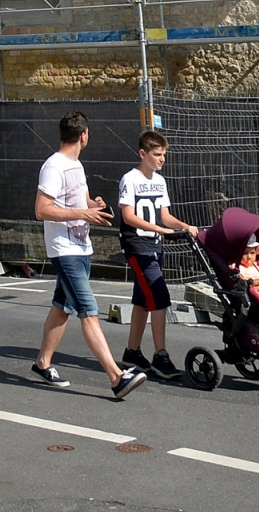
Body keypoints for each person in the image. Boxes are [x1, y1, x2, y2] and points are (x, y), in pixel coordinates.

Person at [31, 111, 147, 401]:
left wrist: (91, 203)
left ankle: (42, 363)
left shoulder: (76, 165)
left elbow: (77, 198)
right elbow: (42, 209)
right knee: (88, 309)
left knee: (62, 306)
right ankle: (116, 377)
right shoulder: (53, 166)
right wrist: (83, 212)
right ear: (83, 135)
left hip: (81, 246)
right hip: (64, 249)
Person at [117, 128, 200, 382]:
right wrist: (160, 230)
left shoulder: (160, 181)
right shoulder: (130, 179)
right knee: (160, 296)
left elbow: (164, 215)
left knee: (143, 299)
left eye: (164, 154)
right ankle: (160, 355)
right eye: (157, 154)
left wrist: (183, 226)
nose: (162, 159)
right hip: (137, 245)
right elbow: (128, 216)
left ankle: (131, 352)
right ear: (143, 154)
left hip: (154, 246)